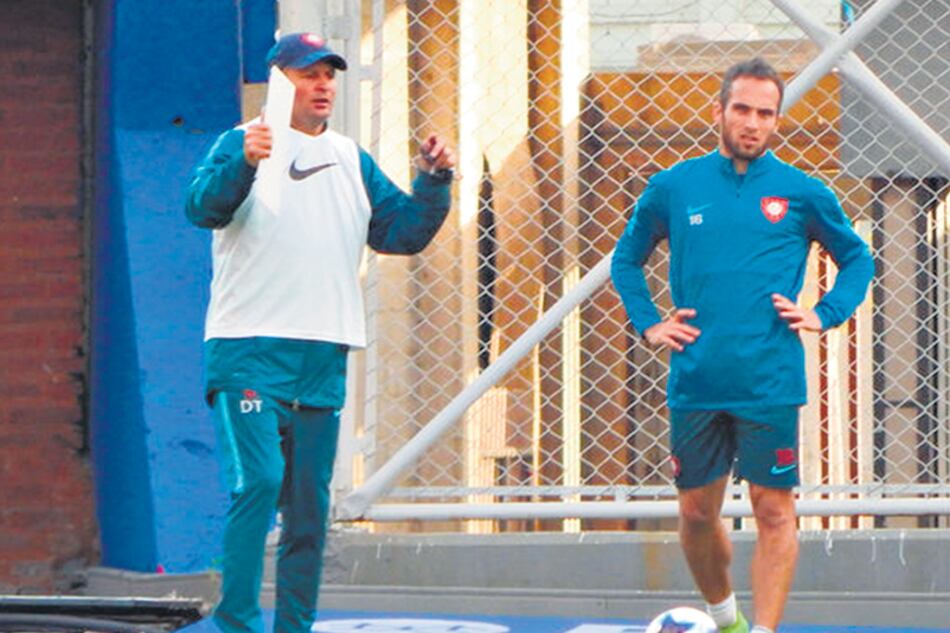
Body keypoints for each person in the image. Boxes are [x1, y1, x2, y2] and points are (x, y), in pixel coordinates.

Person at [185, 32, 455, 633]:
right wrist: (245, 162)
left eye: (330, 74)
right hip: (249, 348)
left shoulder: (351, 158)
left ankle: (295, 628)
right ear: (281, 82)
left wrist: (434, 181)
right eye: (309, 74)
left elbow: (402, 233)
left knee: (309, 512)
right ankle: (236, 624)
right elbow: (201, 207)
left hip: (322, 354)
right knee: (258, 482)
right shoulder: (241, 142)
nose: (324, 85)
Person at [610, 58, 873, 633]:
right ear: (720, 112)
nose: (753, 123)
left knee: (774, 511)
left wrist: (824, 313)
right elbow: (626, 260)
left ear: (777, 120)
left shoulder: (802, 192)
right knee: (696, 513)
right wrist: (650, 322)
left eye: (766, 113)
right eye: (743, 110)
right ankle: (724, 616)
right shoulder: (675, 187)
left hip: (770, 381)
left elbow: (858, 258)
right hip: (697, 379)